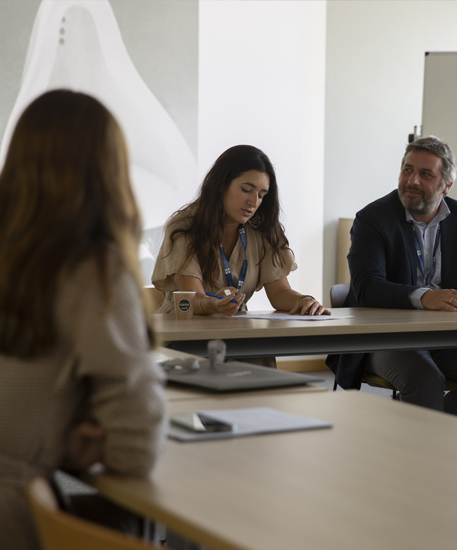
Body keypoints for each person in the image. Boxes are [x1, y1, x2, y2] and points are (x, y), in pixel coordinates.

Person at [0, 90, 168, 550]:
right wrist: (61, 446)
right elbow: (136, 447)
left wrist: (47, 438)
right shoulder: (92, 267)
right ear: (109, 172)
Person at [326, 135, 457, 413]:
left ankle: (443, 442)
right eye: (407, 170)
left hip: (445, 336)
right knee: (424, 379)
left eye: (425, 174)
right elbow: (367, 287)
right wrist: (425, 298)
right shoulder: (373, 219)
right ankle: (417, 455)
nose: (412, 181)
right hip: (386, 338)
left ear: (446, 185)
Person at [152, 144, 329, 319]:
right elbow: (192, 296)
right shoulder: (185, 226)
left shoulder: (261, 228)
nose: (254, 202)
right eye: (247, 190)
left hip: (234, 328)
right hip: (184, 328)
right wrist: (215, 304)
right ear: (221, 185)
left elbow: (280, 292)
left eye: (261, 195)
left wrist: (304, 300)